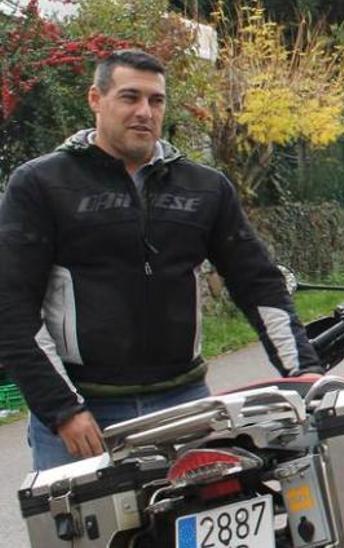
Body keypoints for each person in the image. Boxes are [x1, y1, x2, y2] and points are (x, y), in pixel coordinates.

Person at [0, 49, 320, 471]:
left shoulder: (204, 188)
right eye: (130, 97)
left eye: (156, 100)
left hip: (184, 403)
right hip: (85, 416)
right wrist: (62, 409)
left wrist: (305, 375)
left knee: (197, 530)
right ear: (95, 99)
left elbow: (257, 282)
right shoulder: (41, 184)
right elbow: (11, 306)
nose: (145, 112)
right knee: (90, 537)